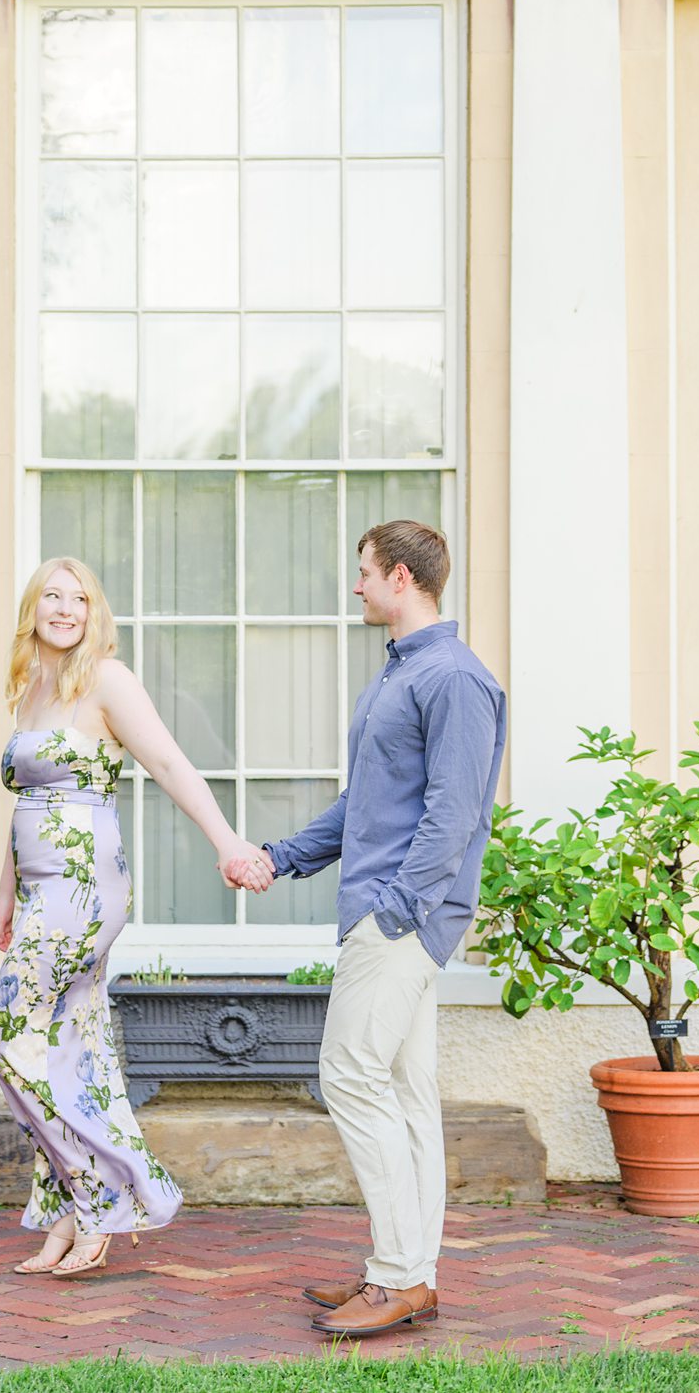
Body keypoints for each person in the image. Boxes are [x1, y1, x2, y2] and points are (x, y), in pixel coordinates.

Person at [231, 520, 506, 1339]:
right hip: (390, 912)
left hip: (400, 920)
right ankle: (411, 1272)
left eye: (363, 573)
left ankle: (395, 1276)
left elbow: (452, 816)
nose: (355, 587)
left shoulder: (455, 678)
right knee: (409, 1096)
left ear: (400, 576)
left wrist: (399, 909)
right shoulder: (402, 675)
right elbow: (368, 806)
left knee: (348, 1075)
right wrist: (281, 856)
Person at [0, 555, 271, 1279]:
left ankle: (100, 1189)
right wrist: (4, 890)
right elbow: (28, 802)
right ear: (33, 608)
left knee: (5, 1036)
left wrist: (228, 840)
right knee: (66, 1050)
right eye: (52, 595)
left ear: (94, 612)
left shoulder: (106, 679)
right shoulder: (33, 687)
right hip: (40, 886)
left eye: (79, 598)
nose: (65, 607)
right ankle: (63, 1212)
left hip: (83, 889)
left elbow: (172, 765)